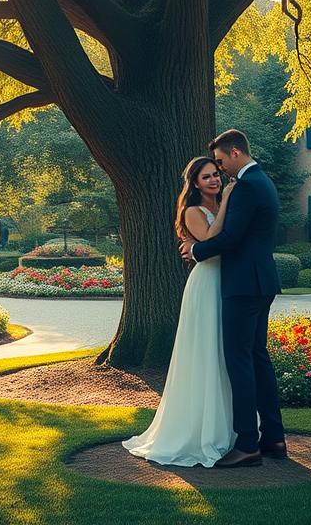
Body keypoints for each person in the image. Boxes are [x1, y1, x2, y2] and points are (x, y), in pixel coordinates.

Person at [179, 129, 285, 468]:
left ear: (235, 153)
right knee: (257, 358)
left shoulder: (247, 186)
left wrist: (196, 251)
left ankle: (248, 443)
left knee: (239, 362)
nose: (220, 169)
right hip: (260, 281)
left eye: (221, 161)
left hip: (243, 285)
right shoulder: (262, 181)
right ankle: (274, 437)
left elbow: (230, 239)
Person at [122, 155, 236, 466]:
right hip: (207, 282)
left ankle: (229, 427)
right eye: (206, 177)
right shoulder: (192, 212)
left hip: (228, 281)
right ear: (195, 184)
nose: (214, 180)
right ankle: (200, 430)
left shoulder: (221, 206)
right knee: (206, 350)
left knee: (224, 353)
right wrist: (227, 201)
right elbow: (211, 242)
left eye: (216, 174)